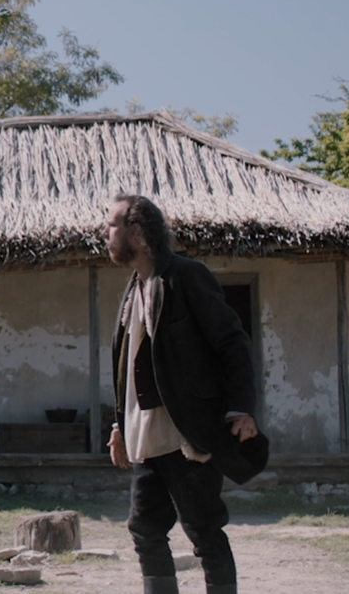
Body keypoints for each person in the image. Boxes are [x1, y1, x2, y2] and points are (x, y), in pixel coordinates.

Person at [104, 195, 270, 594]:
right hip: (144, 437)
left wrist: (240, 408)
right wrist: (119, 426)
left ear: (137, 232)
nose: (104, 234)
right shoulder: (132, 290)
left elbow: (232, 342)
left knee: (204, 529)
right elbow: (130, 365)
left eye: (112, 225)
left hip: (187, 434)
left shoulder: (187, 276)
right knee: (145, 528)